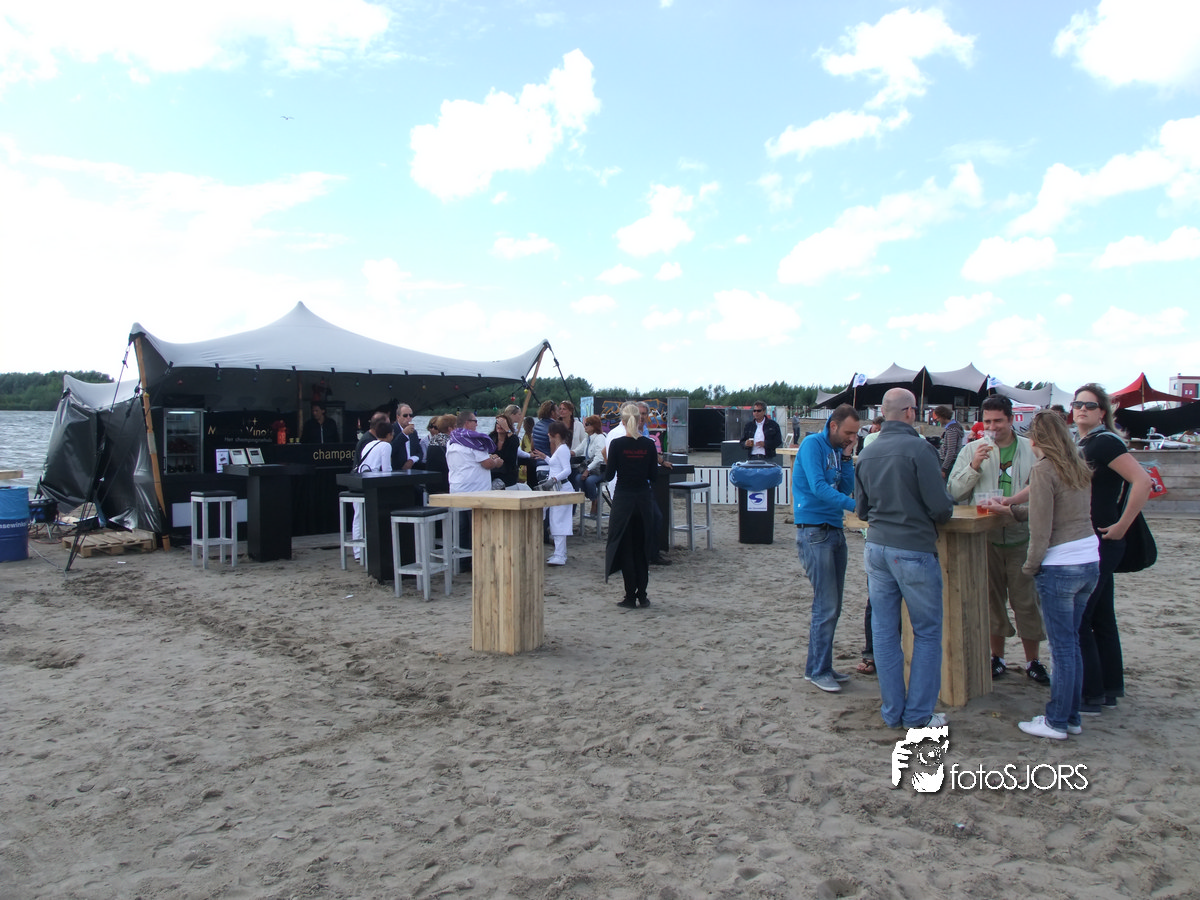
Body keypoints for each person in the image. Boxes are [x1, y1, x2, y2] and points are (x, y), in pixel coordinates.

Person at [984, 410, 1099, 739]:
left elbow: (1041, 527)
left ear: (1037, 440)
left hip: (1061, 565)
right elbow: (1044, 505)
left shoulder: (1044, 468)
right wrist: (1010, 508)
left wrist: (1031, 566)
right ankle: (1070, 716)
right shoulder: (1076, 464)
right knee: (1071, 644)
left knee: (1062, 649)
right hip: (1089, 560)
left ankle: (1057, 720)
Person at [855, 388, 955, 729]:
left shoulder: (868, 451)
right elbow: (940, 508)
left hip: (876, 547)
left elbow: (861, 509)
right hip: (912, 547)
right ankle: (919, 715)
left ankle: (892, 711)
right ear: (911, 412)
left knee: (884, 632)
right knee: (926, 632)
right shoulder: (921, 449)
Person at [947, 395, 1050, 686]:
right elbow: (954, 491)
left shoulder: (1031, 448)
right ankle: (997, 657)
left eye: (998, 421)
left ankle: (1033, 660)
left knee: (1026, 602)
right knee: (991, 601)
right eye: (988, 422)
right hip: (986, 537)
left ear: (1011, 419)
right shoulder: (971, 449)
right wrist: (974, 466)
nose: (992, 428)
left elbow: (1045, 488)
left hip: (1022, 535)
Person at [1072, 383, 1151, 714]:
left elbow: (1143, 481)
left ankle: (1090, 694)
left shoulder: (1104, 442)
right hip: (1096, 540)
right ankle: (1108, 688)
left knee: (1081, 618)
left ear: (1102, 412)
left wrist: (1122, 525)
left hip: (1102, 540)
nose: (1082, 409)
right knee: (1101, 616)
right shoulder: (1087, 443)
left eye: (1089, 405)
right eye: (1077, 404)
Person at [793, 403, 860, 693]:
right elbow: (819, 487)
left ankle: (819, 667)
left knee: (832, 606)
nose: (852, 438)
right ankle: (818, 670)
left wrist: (847, 458)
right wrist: (858, 508)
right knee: (826, 605)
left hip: (832, 529)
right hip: (814, 530)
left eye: (855, 434)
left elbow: (843, 488)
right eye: (848, 433)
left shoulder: (835, 450)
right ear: (833, 425)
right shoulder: (812, 445)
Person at [604, 406, 658, 609]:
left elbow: (609, 475)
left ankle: (629, 596)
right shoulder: (649, 444)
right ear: (639, 419)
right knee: (642, 548)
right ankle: (642, 595)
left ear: (623, 421)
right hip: (643, 499)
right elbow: (653, 476)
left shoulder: (617, 444)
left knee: (625, 548)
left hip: (624, 500)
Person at [351, 416, 393, 561]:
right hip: (372, 485)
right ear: (389, 435)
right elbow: (387, 470)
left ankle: (358, 552)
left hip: (359, 482)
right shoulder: (386, 446)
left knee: (358, 516)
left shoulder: (369, 444)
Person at [447, 411, 504, 493]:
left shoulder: (451, 440)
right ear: (467, 423)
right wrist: (496, 462)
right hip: (475, 490)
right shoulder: (474, 440)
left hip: (456, 487)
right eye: (475, 421)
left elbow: (468, 459)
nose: (477, 424)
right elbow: (487, 464)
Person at [544, 421, 574, 566]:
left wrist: (554, 479)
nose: (548, 435)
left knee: (558, 520)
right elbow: (556, 465)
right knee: (555, 519)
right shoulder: (561, 448)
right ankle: (560, 552)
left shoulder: (562, 449)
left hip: (561, 488)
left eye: (550, 433)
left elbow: (567, 470)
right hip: (557, 488)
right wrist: (544, 457)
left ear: (555, 435)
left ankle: (560, 555)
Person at [577, 415, 607, 514]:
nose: (584, 426)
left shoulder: (600, 438)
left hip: (600, 470)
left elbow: (599, 458)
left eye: (587, 424)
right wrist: (569, 452)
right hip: (591, 469)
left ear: (594, 426)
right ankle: (594, 498)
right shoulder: (587, 438)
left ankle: (595, 500)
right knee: (578, 478)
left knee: (589, 481)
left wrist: (587, 469)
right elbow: (579, 449)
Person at [932, 405, 964, 481]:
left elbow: (951, 451)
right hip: (949, 463)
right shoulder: (954, 427)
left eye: (938, 417)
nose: (937, 420)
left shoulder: (952, 430)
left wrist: (944, 469)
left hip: (948, 464)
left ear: (942, 416)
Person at [391, 403, 421, 470]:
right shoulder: (392, 430)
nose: (408, 418)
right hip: (396, 469)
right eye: (405, 415)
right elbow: (391, 449)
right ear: (398, 417)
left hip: (411, 468)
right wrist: (403, 434)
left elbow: (419, 452)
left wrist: (412, 460)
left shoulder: (413, 432)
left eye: (410, 415)